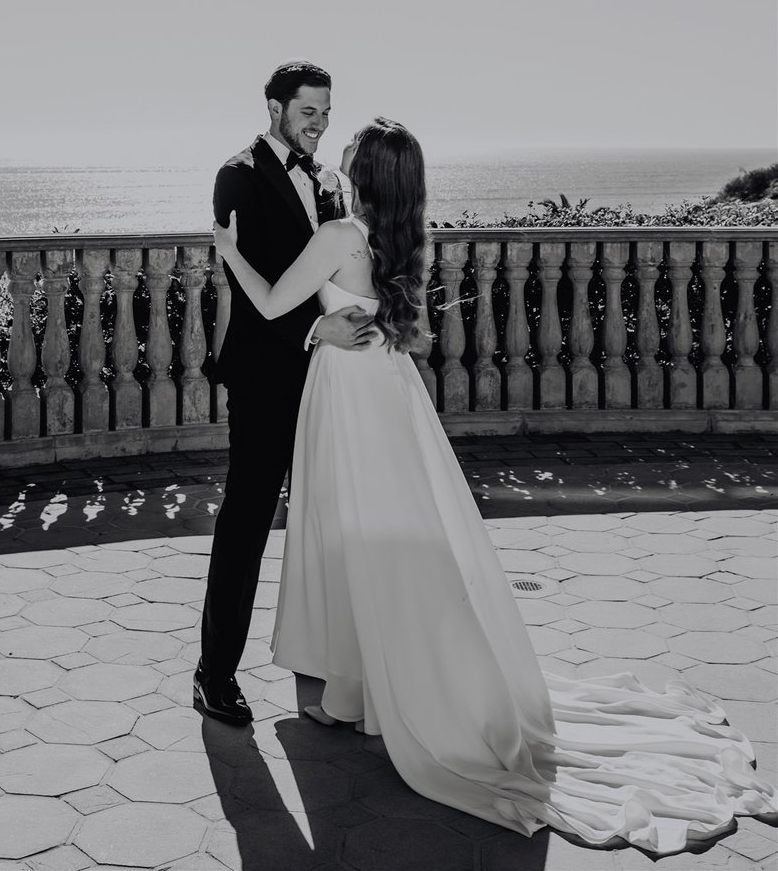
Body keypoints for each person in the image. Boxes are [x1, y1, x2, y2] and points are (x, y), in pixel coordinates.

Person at [213, 116, 777, 855]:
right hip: (388, 389)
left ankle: (370, 687)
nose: (339, 147)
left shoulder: (340, 235)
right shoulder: (402, 236)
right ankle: (365, 685)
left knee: (354, 534)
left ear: (368, 171)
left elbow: (270, 305)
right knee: (399, 533)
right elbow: (388, 319)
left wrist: (231, 252)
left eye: (351, 147)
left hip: (347, 397)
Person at [194, 61, 378, 727]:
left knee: (325, 524)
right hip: (266, 379)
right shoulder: (235, 176)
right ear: (275, 109)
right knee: (245, 521)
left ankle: (323, 673)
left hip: (331, 384)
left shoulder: (332, 184)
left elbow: (330, 270)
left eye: (327, 113)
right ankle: (214, 674)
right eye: (309, 113)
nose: (321, 125)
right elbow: (249, 287)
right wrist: (316, 330)